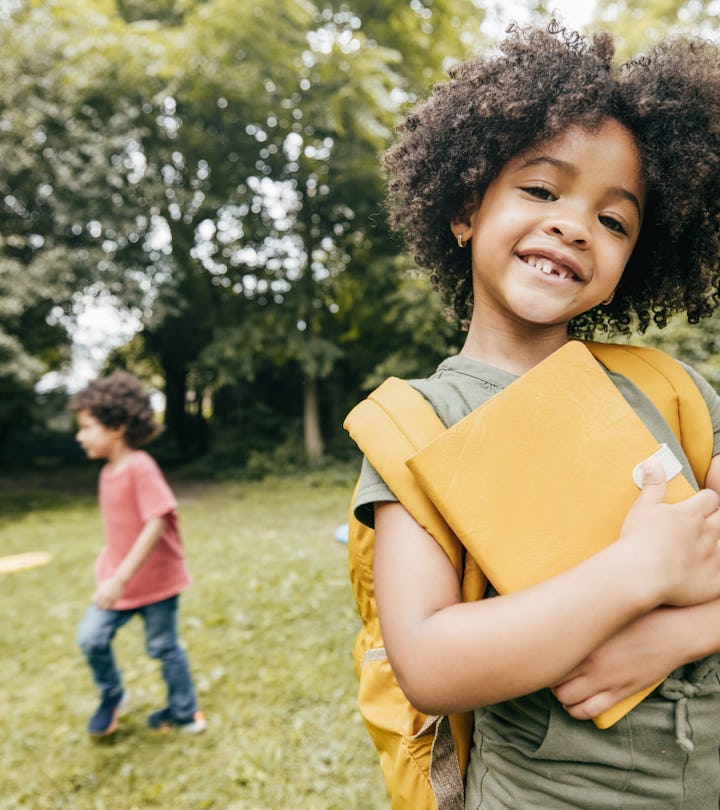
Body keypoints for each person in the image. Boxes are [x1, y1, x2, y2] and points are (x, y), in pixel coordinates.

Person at [352, 21, 720, 808]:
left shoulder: (670, 390)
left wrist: (682, 633)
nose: (574, 224)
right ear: (464, 210)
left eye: (615, 220)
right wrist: (639, 569)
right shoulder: (418, 424)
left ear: (630, 267)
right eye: (541, 190)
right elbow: (431, 663)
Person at [71, 371, 206, 737]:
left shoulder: (141, 467)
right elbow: (120, 529)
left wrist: (120, 577)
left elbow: (157, 520)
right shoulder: (106, 475)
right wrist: (108, 566)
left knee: (163, 647)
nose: (79, 436)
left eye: (86, 427)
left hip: (156, 583)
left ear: (115, 427)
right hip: (118, 584)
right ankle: (112, 696)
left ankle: (185, 711)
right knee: (91, 638)